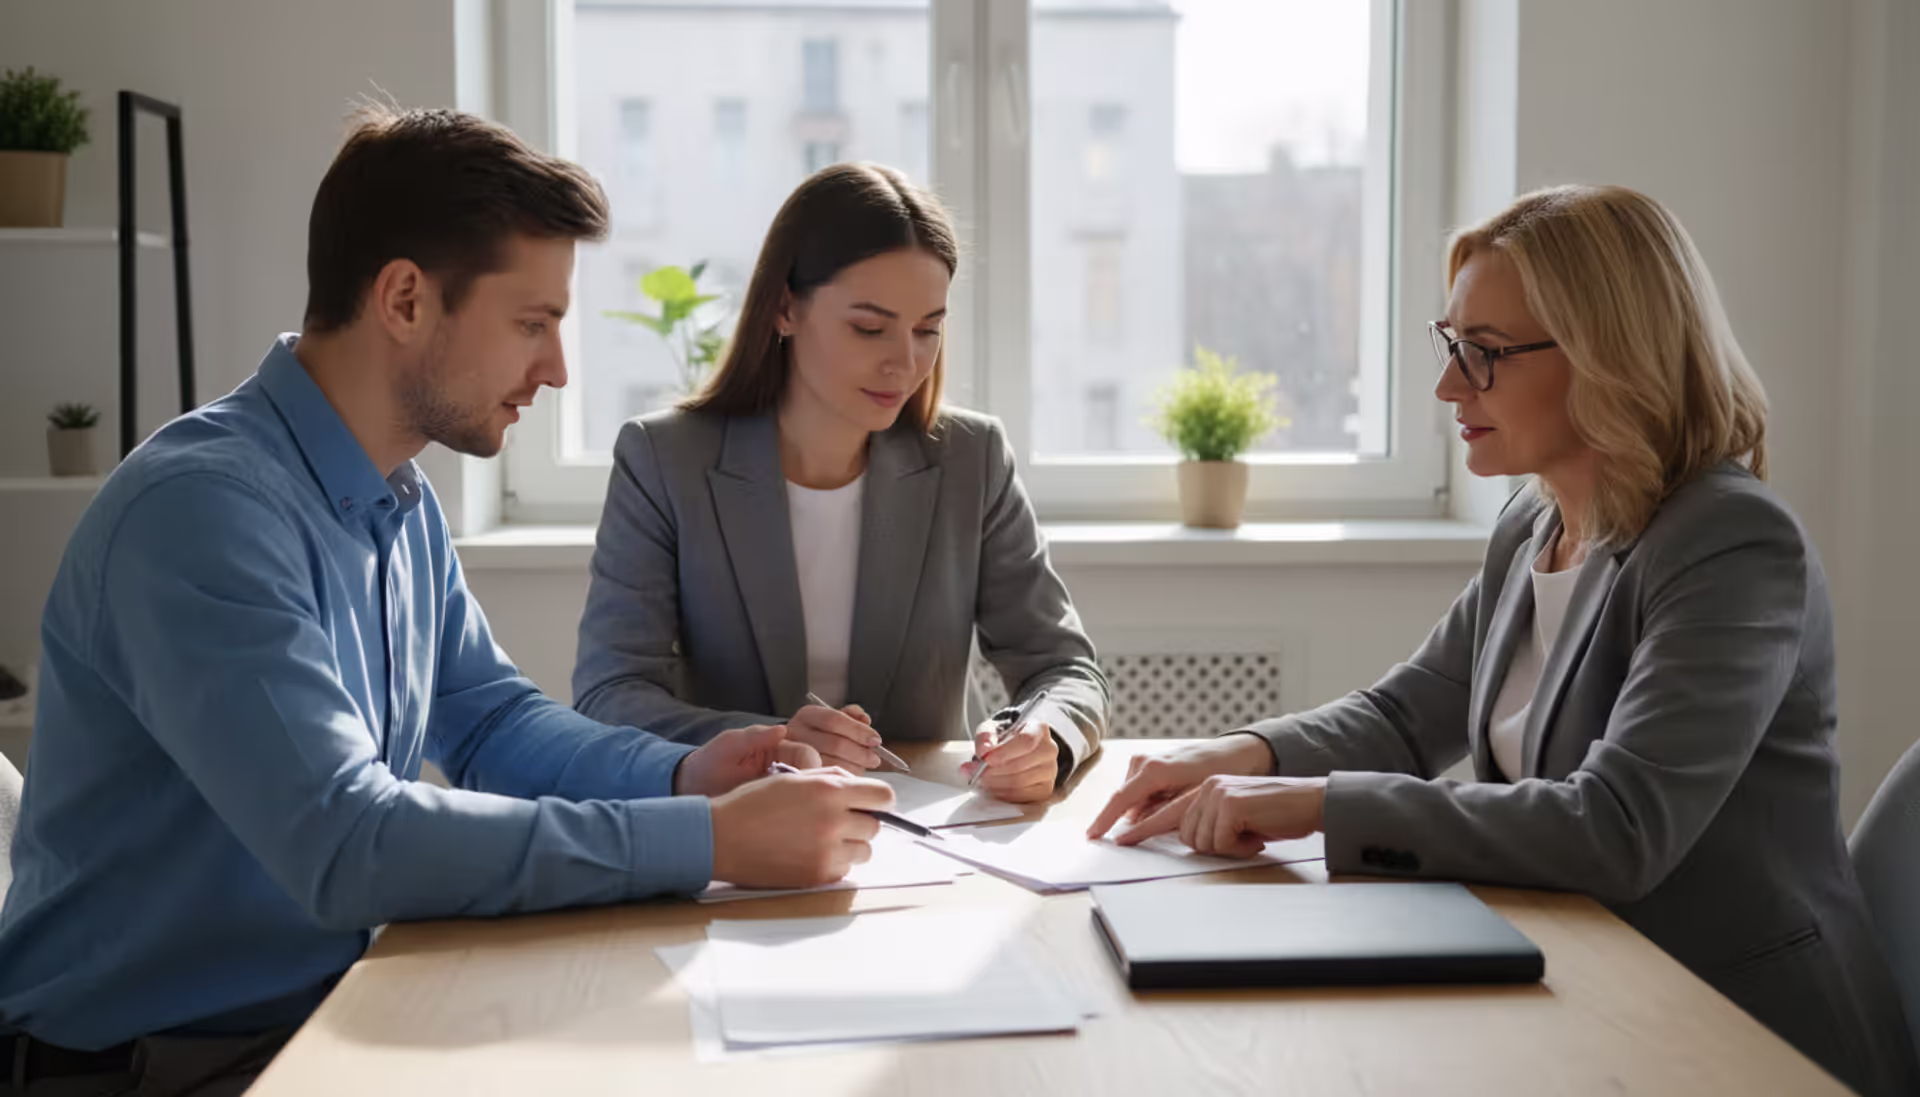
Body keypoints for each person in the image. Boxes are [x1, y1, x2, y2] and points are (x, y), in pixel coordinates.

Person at [0, 105, 893, 1094]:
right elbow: (350, 841)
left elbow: (494, 723)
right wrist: (713, 840)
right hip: (147, 1070)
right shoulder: (202, 514)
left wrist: (692, 774)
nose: (555, 369)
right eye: (531, 324)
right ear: (405, 300)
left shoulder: (393, 496)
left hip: (324, 1012)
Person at [1088, 184, 1920, 1097]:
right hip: (1592, 982)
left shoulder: (1731, 544)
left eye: (1483, 355)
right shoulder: (1535, 521)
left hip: (1747, 1035)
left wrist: (1317, 804)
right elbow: (1411, 712)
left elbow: (1618, 827)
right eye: (1452, 347)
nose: (1448, 386)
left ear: (1610, 357)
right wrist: (1240, 753)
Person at [571, 162, 1109, 804]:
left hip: (929, 833)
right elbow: (611, 693)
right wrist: (773, 741)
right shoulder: (663, 460)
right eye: (869, 327)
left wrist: (1044, 733)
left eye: (927, 330)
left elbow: (1064, 667)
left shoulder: (974, 458)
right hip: (736, 828)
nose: (904, 361)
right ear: (784, 309)